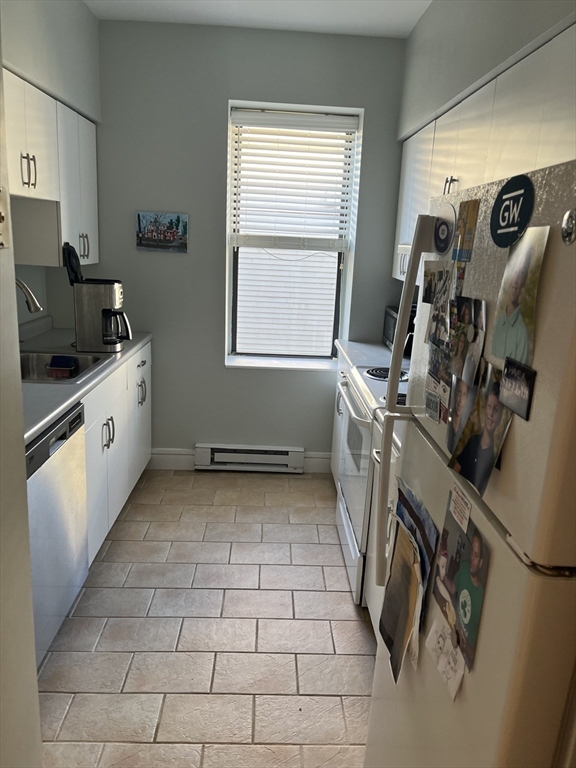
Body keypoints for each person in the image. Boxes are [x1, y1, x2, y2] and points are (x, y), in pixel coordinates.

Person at [452, 381, 504, 495]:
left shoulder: (494, 456)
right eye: (489, 407)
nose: (490, 413)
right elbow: (455, 471)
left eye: (495, 410)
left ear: (500, 416)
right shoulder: (473, 441)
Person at [442, 532, 485, 665]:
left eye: (476, 555)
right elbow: (453, 588)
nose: (472, 557)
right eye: (472, 551)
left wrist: (465, 647)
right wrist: (442, 574)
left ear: (481, 563)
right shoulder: (465, 568)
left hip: (463, 655)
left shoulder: (482, 597)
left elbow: (476, 656)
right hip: (451, 629)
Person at [492, 251, 531, 364]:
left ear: (523, 281)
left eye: (521, 274)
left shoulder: (522, 333)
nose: (516, 280)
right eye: (514, 271)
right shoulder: (498, 323)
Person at [447, 378, 470, 453]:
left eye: (464, 394)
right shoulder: (446, 422)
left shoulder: (464, 434)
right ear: (455, 392)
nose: (461, 400)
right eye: (459, 392)